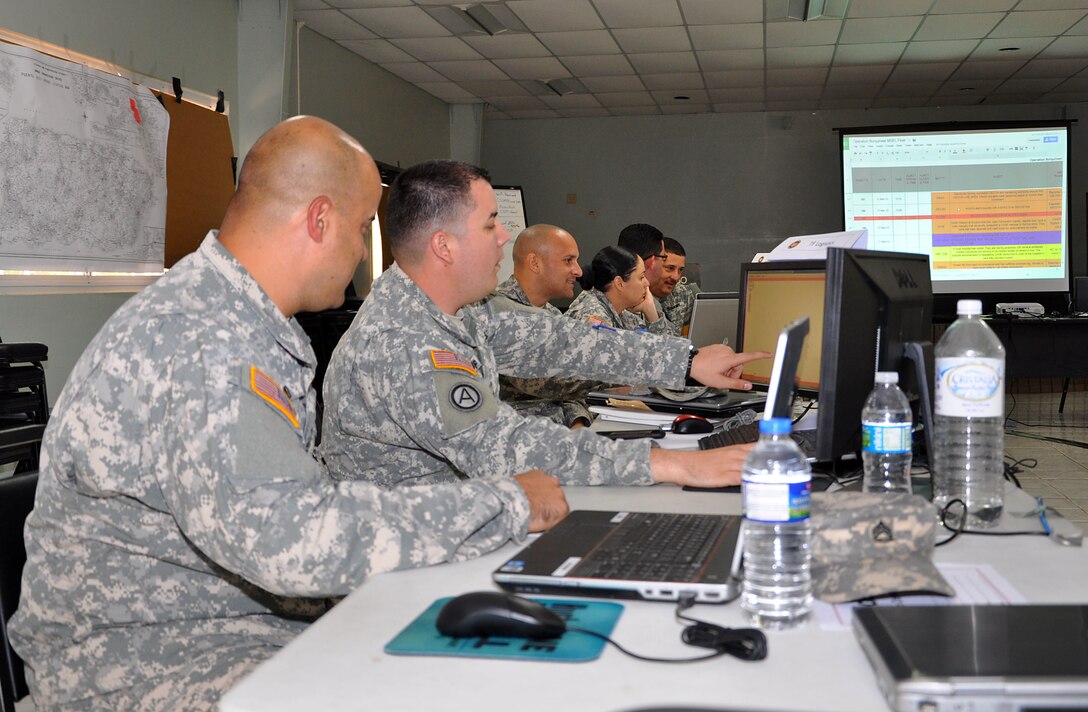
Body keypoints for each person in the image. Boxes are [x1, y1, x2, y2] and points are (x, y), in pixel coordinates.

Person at [10, 118, 567, 712]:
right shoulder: (203, 339)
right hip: (142, 661)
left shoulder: (242, 320)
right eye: (358, 230)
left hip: (235, 619)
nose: (360, 252)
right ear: (319, 220)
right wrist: (505, 503)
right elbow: (290, 537)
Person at [319, 159, 768, 506]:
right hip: (408, 569)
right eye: (491, 223)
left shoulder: (458, 310)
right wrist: (676, 464)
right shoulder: (402, 340)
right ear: (444, 245)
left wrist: (687, 362)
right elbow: (506, 444)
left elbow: (559, 342)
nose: (504, 237)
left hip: (465, 524)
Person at [492, 224, 599, 428]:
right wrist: (617, 375)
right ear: (535, 262)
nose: (578, 271)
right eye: (568, 260)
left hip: (559, 436)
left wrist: (577, 421)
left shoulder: (552, 314)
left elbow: (568, 395)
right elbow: (547, 381)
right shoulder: (501, 314)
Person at [564, 245, 666, 332]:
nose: (647, 283)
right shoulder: (595, 317)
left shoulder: (623, 314)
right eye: (641, 277)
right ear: (619, 283)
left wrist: (651, 312)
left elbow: (661, 349)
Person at [617, 222, 673, 333]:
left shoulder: (645, 297)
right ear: (652, 261)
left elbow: (670, 346)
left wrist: (651, 312)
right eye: (663, 258)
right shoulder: (597, 311)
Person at [655, 236, 696, 335]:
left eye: (680, 270)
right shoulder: (636, 298)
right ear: (653, 265)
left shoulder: (682, 293)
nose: (676, 277)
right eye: (670, 268)